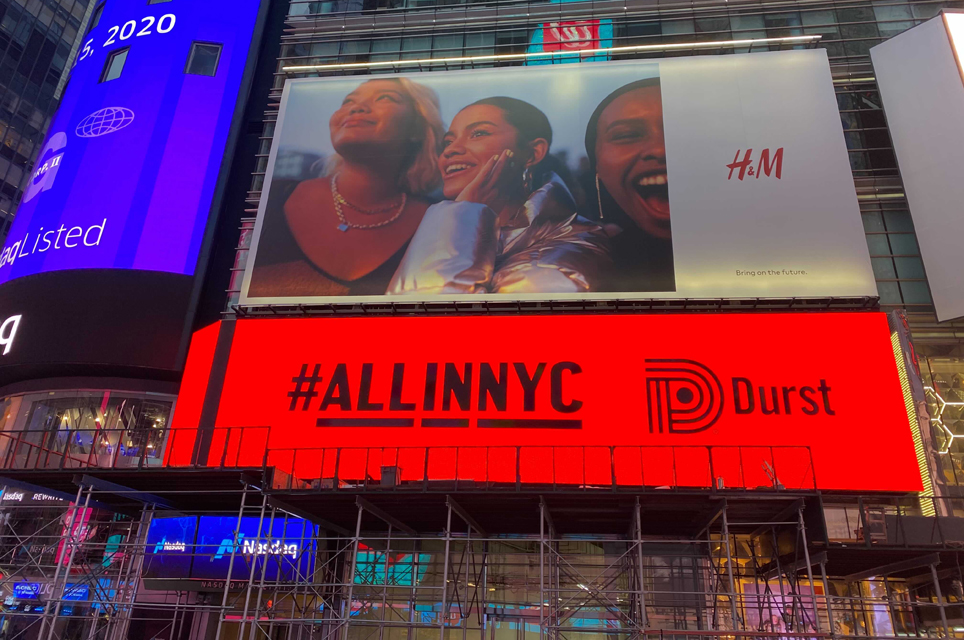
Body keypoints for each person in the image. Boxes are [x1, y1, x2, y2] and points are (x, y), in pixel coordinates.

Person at [388, 97, 609, 295]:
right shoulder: (448, 225)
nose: (450, 150)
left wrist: (464, 213)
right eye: (448, 141)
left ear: (533, 153)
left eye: (479, 133)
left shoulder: (551, 266)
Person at [247, 78, 445, 297]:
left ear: (416, 129)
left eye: (385, 98)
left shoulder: (441, 222)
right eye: (348, 100)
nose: (356, 107)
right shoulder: (269, 197)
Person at [585, 77, 676, 292]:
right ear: (597, 166)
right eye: (627, 135)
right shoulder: (583, 272)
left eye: (679, 130)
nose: (660, 150)